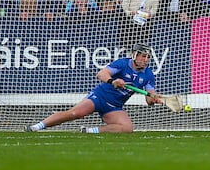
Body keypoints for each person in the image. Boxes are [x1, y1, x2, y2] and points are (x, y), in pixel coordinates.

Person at [25, 44, 165, 133]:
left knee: (127, 128)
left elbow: (149, 96)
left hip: (114, 106)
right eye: (143, 56)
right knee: (74, 114)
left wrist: (154, 99)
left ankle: (89, 131)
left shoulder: (148, 74)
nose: (146, 59)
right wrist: (113, 81)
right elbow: (101, 74)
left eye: (148, 57)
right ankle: (37, 126)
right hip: (99, 97)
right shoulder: (122, 63)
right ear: (135, 55)